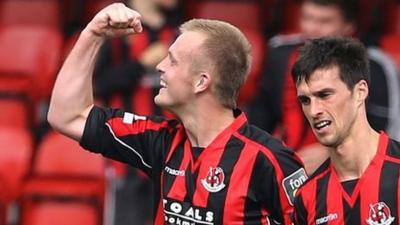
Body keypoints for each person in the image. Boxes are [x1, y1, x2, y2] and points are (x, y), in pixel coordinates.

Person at [47, 3, 306, 225]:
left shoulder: (270, 160)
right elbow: (67, 116)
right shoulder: (161, 141)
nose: (159, 66)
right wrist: (92, 34)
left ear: (201, 82)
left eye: (172, 60)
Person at [247, 0, 400, 174]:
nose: (312, 28)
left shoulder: (376, 66)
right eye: (307, 18)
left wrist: (334, 151)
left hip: (355, 166)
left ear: (348, 26)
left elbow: (388, 129)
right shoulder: (280, 54)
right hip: (287, 159)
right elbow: (260, 117)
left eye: (324, 21)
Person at [291, 36, 400, 225]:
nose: (314, 110)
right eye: (305, 100)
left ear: (360, 92)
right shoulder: (308, 197)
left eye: (324, 95)